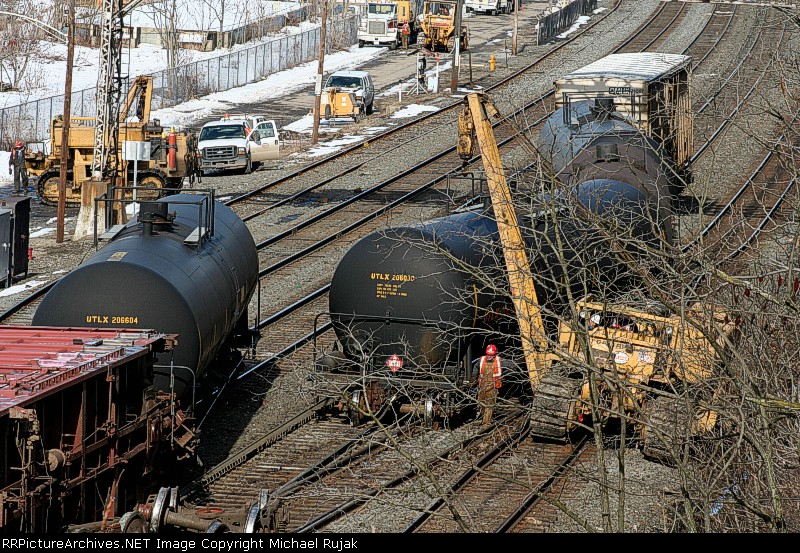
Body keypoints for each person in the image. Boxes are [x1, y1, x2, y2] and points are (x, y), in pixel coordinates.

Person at [472, 344, 503, 426]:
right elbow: (476, 367)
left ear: (495, 355)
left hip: (492, 386)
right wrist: (473, 378)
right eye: (488, 354)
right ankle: (484, 418)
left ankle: (486, 423)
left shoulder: (499, 361)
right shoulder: (481, 360)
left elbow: (509, 367)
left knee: (489, 405)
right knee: (481, 404)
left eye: (491, 355)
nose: (489, 356)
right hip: (483, 385)